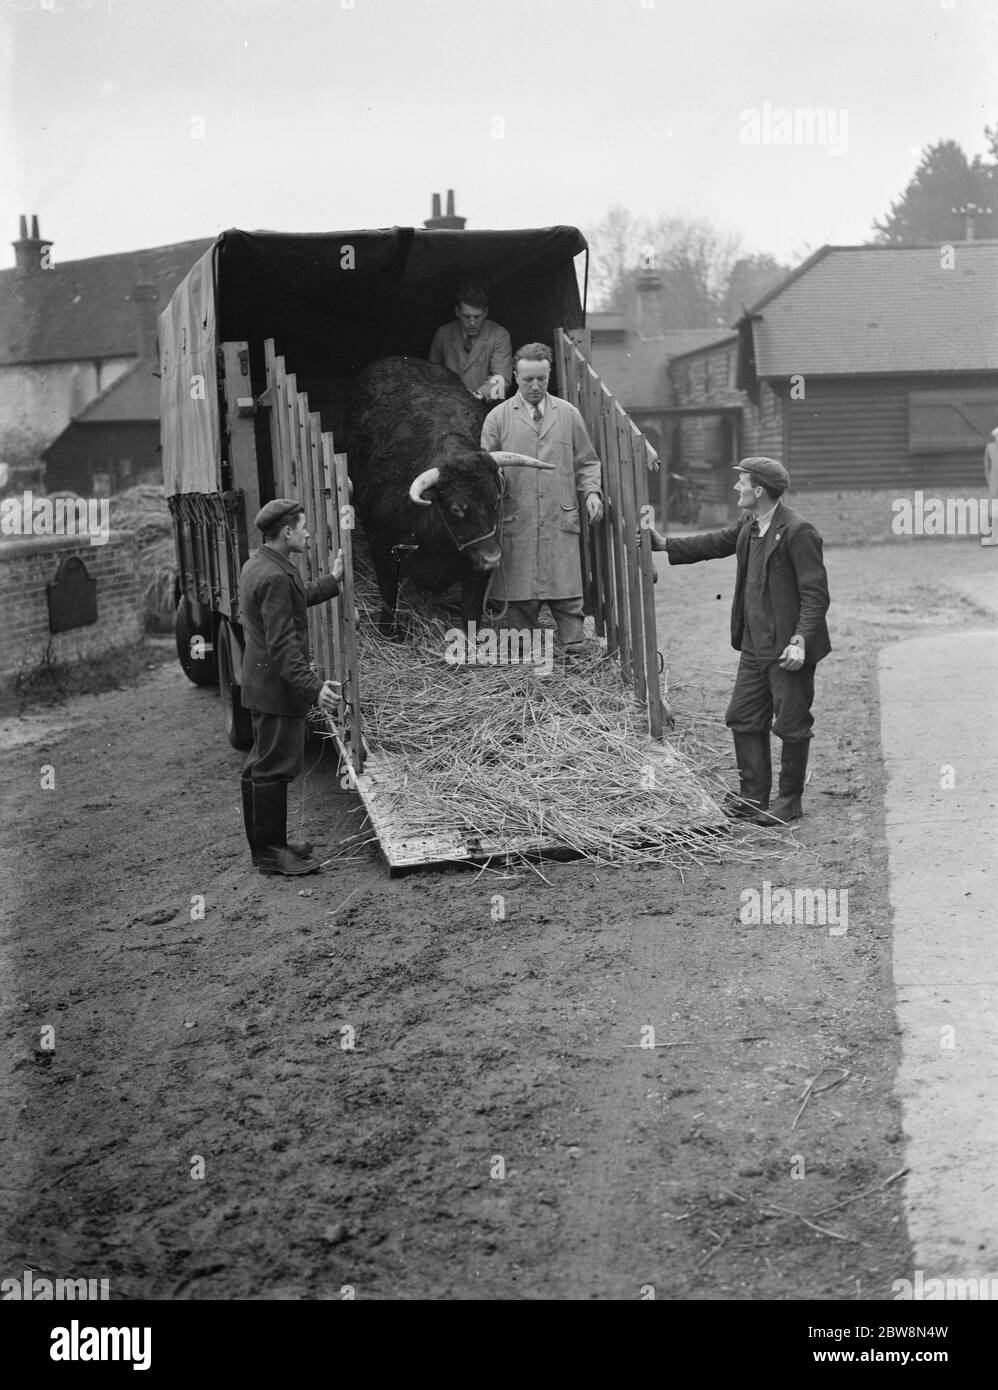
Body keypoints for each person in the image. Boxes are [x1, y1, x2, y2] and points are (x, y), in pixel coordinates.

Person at [647, 458, 831, 825]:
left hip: (786, 651)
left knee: (791, 724)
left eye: (742, 482)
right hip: (753, 647)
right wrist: (665, 544)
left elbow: (815, 595)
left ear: (759, 490)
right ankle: (752, 797)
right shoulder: (749, 524)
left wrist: (800, 640)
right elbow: (715, 542)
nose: (736, 488)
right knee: (743, 717)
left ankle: (789, 800)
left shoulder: (798, 531)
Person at [239, 500, 344, 877]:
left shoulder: (261, 564)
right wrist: (314, 688)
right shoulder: (274, 576)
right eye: (303, 528)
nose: (308, 534)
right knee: (273, 768)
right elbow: (283, 649)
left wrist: (332, 581)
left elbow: (294, 599)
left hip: (260, 684)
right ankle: (269, 854)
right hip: (275, 689)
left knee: (260, 765)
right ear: (286, 532)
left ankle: (271, 845)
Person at [481, 342, 603, 654]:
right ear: (514, 377)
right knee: (518, 603)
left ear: (549, 375)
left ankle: (576, 658)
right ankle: (530, 666)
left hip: (559, 518)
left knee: (568, 598)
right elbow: (484, 469)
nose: (535, 387)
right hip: (516, 522)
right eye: (527, 380)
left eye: (542, 379)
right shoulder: (497, 418)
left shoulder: (568, 414)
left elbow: (587, 461)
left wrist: (591, 492)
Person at [428, 284, 512, 402]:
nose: (472, 323)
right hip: (449, 407)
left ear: (485, 312)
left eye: (477, 317)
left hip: (486, 409)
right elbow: (431, 376)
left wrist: (479, 395)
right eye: (467, 317)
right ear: (457, 312)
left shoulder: (500, 335)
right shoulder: (443, 334)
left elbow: (502, 379)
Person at [983, 426, 998, 547]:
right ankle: (992, 537)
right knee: (993, 510)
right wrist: (990, 481)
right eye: (997, 436)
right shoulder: (990, 448)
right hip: (994, 485)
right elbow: (987, 467)